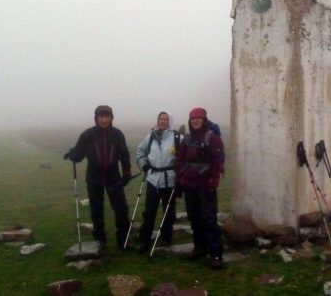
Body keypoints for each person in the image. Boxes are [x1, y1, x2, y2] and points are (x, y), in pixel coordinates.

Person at [64, 105, 132, 248]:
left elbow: (124, 154)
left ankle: (123, 239)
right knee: (96, 209)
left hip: (113, 176)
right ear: (96, 118)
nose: (104, 120)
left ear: (111, 118)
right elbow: (79, 153)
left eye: (107, 117)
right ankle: (100, 239)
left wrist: (126, 173)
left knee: (121, 209)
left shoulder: (117, 134)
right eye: (101, 117)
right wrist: (73, 155)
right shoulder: (88, 134)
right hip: (94, 177)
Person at [175, 107, 225, 269]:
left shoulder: (212, 138)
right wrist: (180, 177)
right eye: (193, 119)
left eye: (198, 118)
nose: (195, 121)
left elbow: (218, 161)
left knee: (209, 219)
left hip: (206, 184)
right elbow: (180, 159)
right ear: (190, 121)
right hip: (189, 184)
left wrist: (213, 180)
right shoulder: (187, 139)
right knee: (194, 217)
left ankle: (216, 254)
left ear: (204, 120)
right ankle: (200, 248)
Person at [134, 111, 182, 253]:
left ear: (170, 121)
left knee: (169, 211)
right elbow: (140, 152)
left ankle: (166, 238)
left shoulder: (177, 137)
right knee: (149, 211)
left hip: (170, 179)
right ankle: (144, 240)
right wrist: (144, 165)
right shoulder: (151, 137)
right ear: (157, 120)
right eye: (161, 119)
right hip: (153, 179)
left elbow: (185, 155)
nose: (163, 121)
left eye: (166, 119)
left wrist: (181, 169)